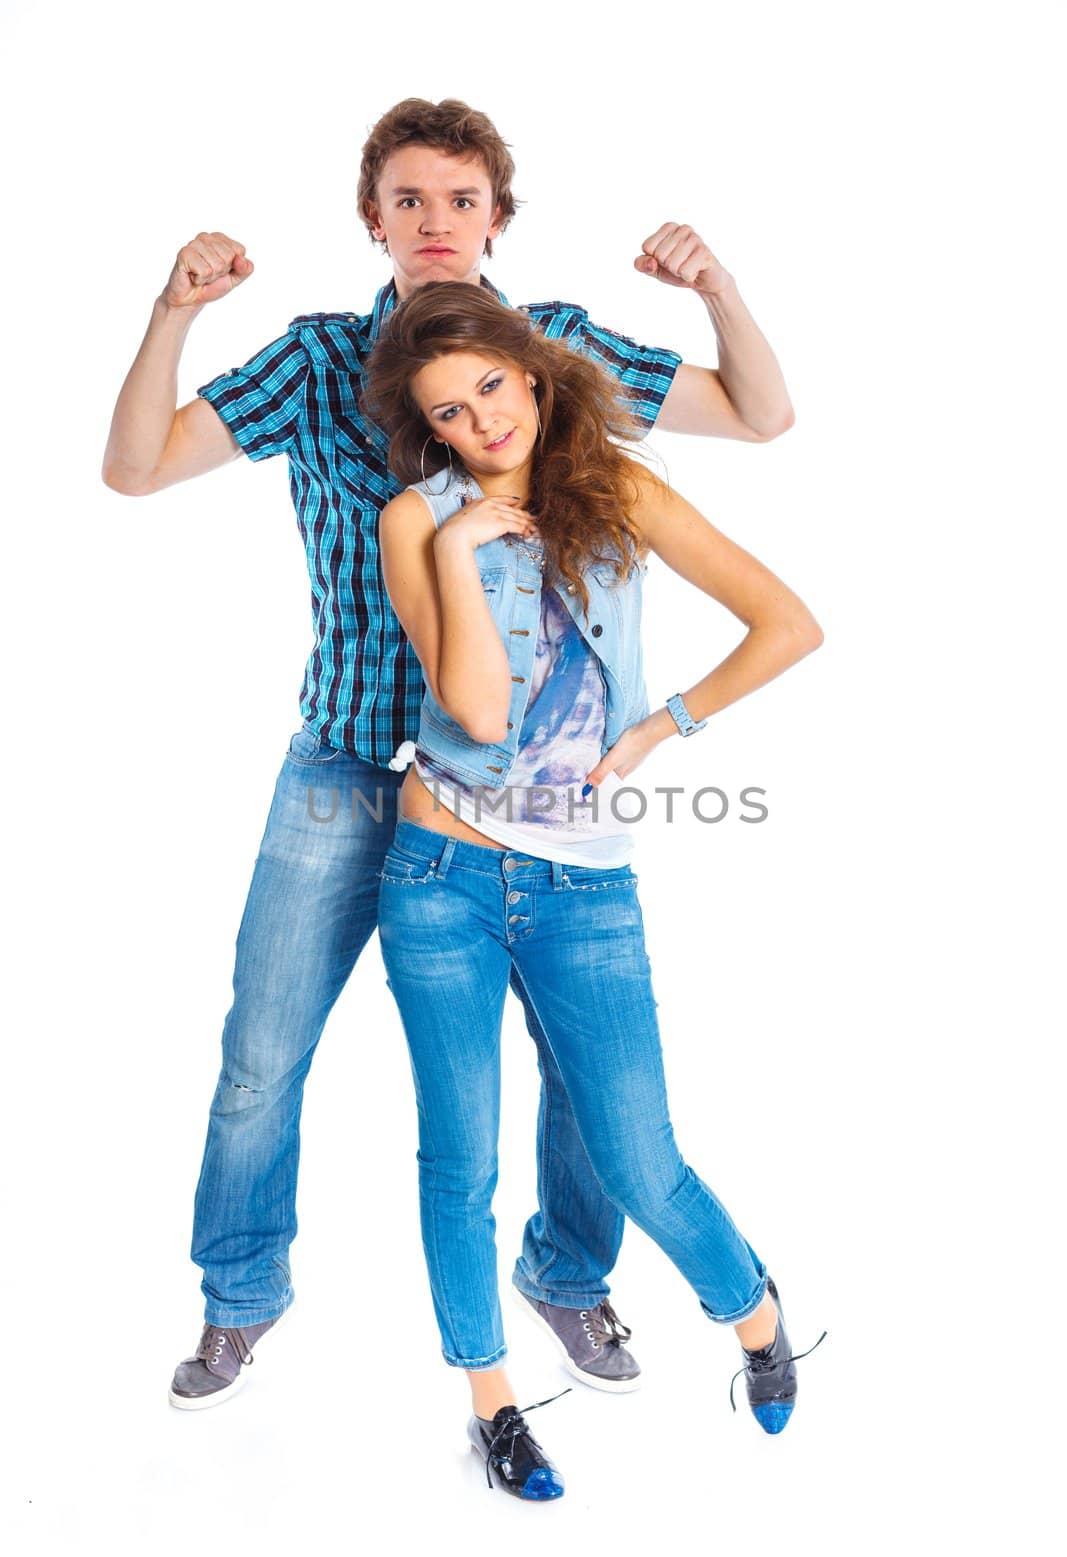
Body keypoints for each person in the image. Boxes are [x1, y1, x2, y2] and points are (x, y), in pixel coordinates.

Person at [100, 97, 796, 1412]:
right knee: (263, 1046)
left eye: (460, 199)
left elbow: (757, 416)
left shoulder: (555, 350)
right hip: (348, 766)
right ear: (372, 218)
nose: (435, 222)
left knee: (583, 1071)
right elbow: (135, 469)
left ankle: (568, 1275)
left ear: (496, 216)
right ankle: (238, 1296)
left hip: (528, 802)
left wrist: (716, 288)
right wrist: (171, 311)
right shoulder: (313, 363)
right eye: (407, 200)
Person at [363, 281, 823, 1499]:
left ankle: (755, 1313)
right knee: (456, 1160)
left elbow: (785, 622)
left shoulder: (614, 487)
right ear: (430, 431)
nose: (480, 423)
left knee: (637, 1152)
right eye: (449, 413)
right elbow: (471, 708)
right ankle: (494, 1403)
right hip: (438, 875)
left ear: (530, 370)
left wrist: (663, 726)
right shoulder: (415, 518)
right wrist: (465, 544)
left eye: (492, 388)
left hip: (583, 889)